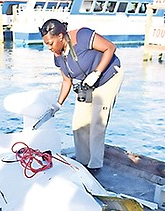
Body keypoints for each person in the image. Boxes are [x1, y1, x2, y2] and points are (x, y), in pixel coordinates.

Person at [39, 19, 123, 174]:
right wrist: (58, 104)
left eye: (50, 43)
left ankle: (95, 166)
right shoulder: (58, 56)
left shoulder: (82, 36)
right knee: (79, 123)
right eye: (46, 44)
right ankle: (83, 161)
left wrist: (97, 73)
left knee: (97, 123)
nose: (49, 48)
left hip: (107, 77)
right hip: (87, 85)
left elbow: (110, 48)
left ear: (61, 36)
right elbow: (66, 81)